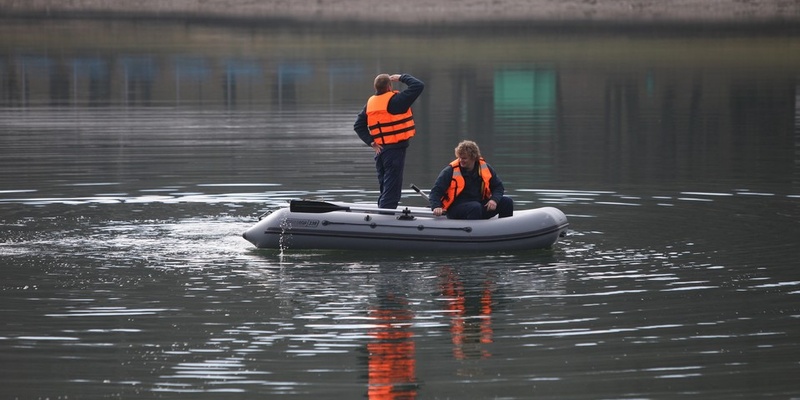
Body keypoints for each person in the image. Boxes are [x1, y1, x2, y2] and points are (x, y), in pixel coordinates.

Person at [354, 73, 424, 209]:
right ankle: (385, 219)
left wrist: (371, 142)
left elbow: (358, 126)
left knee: (385, 187)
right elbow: (418, 85)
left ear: (375, 87)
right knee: (392, 188)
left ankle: (382, 211)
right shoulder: (397, 101)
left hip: (380, 151)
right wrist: (401, 77)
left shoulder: (370, 104)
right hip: (394, 151)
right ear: (389, 86)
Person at [429, 140, 514, 220]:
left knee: (507, 202)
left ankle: (505, 230)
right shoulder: (450, 171)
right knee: (475, 207)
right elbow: (435, 192)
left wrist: (494, 200)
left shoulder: (485, 168)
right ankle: (473, 233)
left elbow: (498, 187)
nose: (461, 161)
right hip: (456, 208)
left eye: (464, 158)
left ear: (474, 158)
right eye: (460, 158)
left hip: (478, 205)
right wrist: (436, 206)